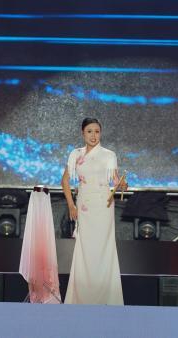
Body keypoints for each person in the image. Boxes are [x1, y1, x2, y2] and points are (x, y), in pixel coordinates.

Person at [62, 118, 126, 305]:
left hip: (103, 206)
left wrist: (122, 184)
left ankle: (106, 298)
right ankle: (81, 298)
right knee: (84, 250)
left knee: (103, 250)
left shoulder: (109, 155)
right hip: (84, 206)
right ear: (83, 133)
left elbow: (115, 181)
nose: (93, 135)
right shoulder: (75, 154)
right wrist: (71, 205)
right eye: (89, 131)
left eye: (97, 131)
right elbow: (65, 181)